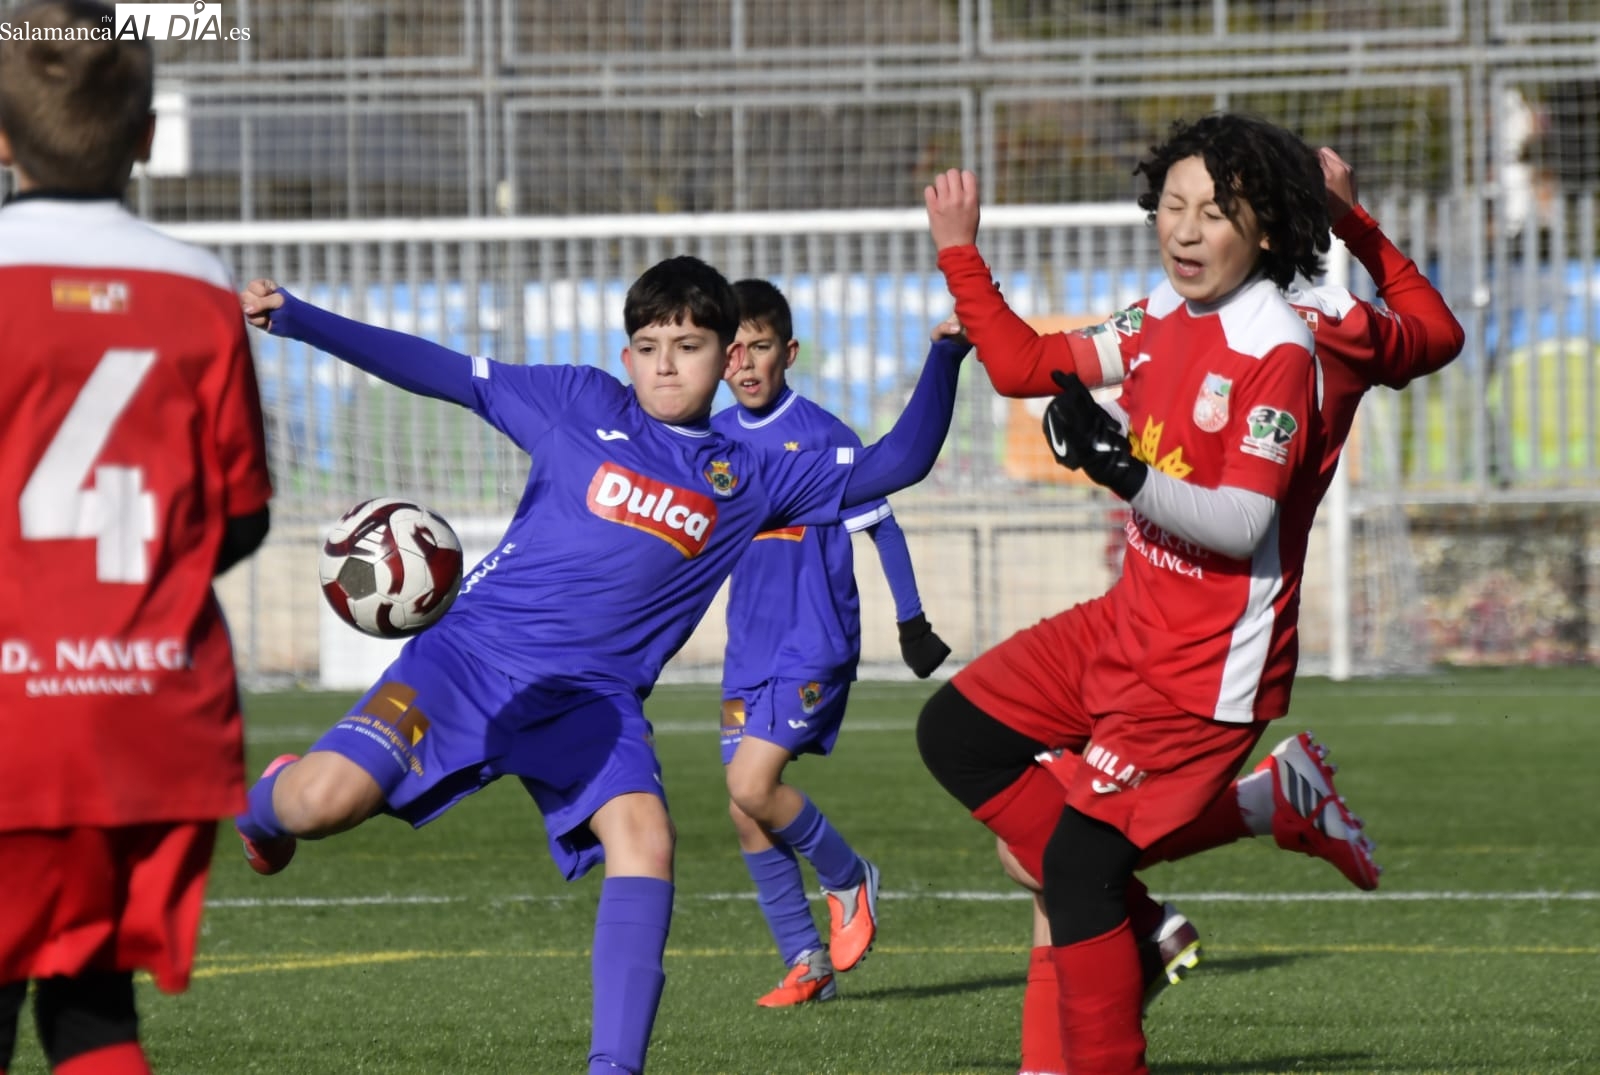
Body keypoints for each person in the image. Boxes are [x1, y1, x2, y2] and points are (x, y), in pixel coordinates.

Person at [230, 255, 968, 1075]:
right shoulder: (578, 401)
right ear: (626, 356)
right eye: (648, 343)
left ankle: (613, 1068)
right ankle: (263, 808)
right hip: (468, 660)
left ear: (726, 357)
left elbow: (898, 462)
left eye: (686, 344)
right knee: (319, 805)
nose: (663, 361)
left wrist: (946, 356)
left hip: (594, 701)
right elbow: (447, 373)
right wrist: (300, 317)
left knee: (646, 838)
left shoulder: (752, 475)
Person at [939, 141, 1466, 1074]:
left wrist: (1118, 464)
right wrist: (959, 252)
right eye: (1170, 205)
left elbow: (1241, 519)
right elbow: (1024, 367)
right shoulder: (1157, 316)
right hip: (1131, 617)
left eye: (1212, 210)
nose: (1183, 227)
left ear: (1267, 226)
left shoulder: (1307, 331)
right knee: (961, 738)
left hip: (1208, 653)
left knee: (1071, 870)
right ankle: (1164, 898)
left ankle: (1124, 949)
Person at [0, 3, 275, 1073]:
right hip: (149, 716)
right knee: (94, 1012)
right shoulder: (199, 287)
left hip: (12, 713)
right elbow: (240, 515)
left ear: (3, 138)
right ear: (150, 136)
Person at [712, 278, 951, 1006]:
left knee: (754, 783)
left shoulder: (822, 437)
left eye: (758, 346)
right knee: (743, 807)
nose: (745, 364)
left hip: (811, 642)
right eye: (732, 351)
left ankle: (849, 875)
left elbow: (882, 521)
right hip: (747, 648)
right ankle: (806, 962)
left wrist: (912, 621)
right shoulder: (711, 442)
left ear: (789, 351)